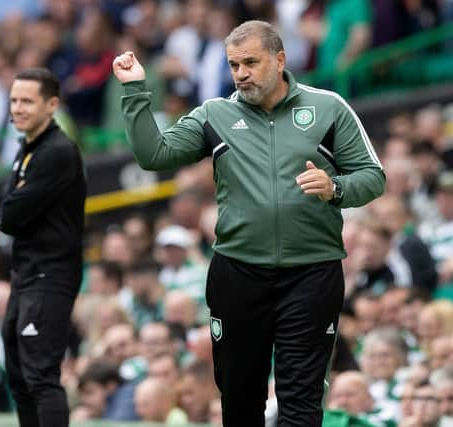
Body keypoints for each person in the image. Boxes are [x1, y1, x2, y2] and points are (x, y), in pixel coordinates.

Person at [112, 20, 385, 426]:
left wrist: (336, 187)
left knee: (301, 401)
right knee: (240, 399)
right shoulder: (215, 114)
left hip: (311, 272)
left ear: (279, 60)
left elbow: (373, 175)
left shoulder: (328, 107)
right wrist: (135, 89)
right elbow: (156, 155)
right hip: (238, 273)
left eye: (251, 62)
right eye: (234, 64)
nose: (240, 74)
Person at [0, 68, 86, 427]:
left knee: (40, 376)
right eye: (14, 100)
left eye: (27, 101)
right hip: (27, 274)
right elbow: (6, 204)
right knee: (18, 373)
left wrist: (5, 208)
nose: (17, 108)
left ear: (51, 104)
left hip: (50, 275)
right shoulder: (28, 148)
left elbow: (8, 216)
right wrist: (6, 207)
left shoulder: (57, 152)